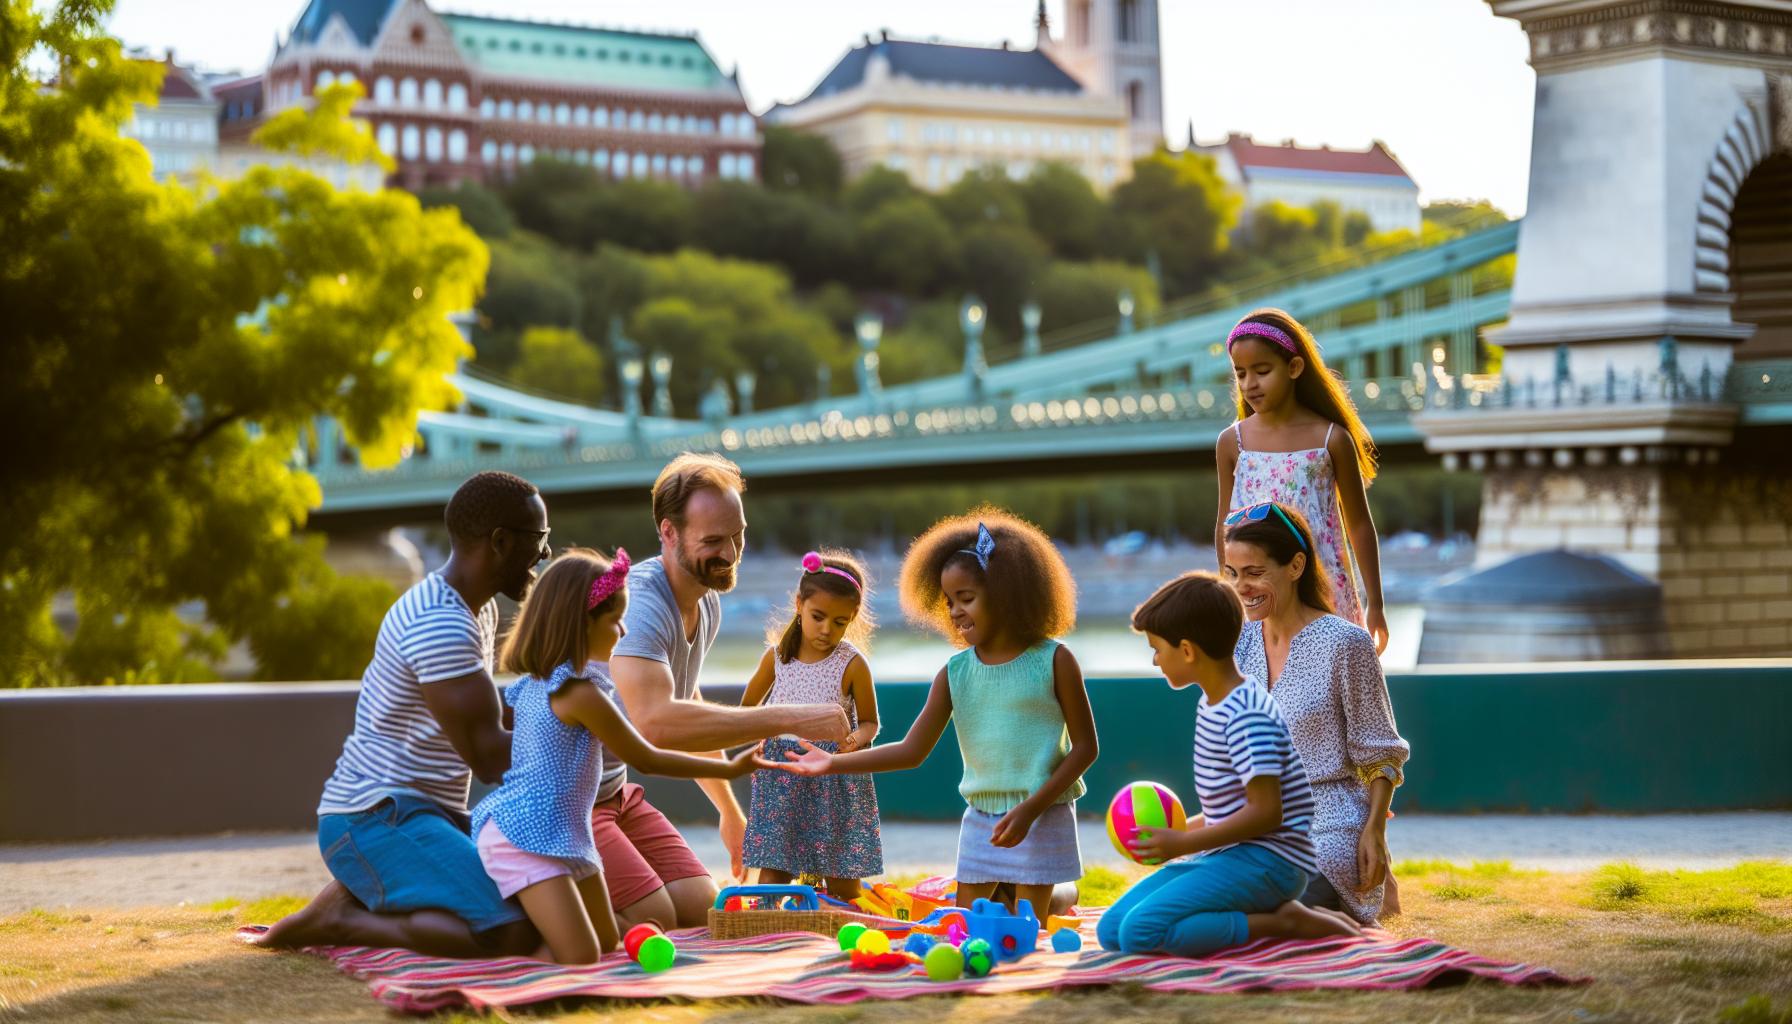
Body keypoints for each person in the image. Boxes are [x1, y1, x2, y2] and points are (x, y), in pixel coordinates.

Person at [253, 471, 552, 956]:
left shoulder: (477, 610)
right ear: (499, 542)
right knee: (511, 930)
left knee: (544, 901)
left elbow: (496, 716)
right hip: (375, 816)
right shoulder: (440, 623)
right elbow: (491, 758)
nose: (544, 554)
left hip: (428, 814)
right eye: (539, 539)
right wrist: (585, 731)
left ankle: (364, 896)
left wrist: (580, 701)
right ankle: (342, 921)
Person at [773, 507, 1098, 917]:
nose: (955, 611)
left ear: (1006, 593)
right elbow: (911, 750)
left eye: (967, 598)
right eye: (948, 602)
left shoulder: (1055, 660)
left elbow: (1086, 748)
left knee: (1027, 924)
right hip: (981, 818)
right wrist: (833, 763)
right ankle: (1022, 890)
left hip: (1041, 812)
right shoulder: (955, 672)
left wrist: (1032, 807)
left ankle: (1062, 892)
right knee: (969, 922)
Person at [470, 548, 765, 964]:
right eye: (614, 620)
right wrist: (728, 766)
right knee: (582, 955)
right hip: (527, 834)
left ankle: (554, 907)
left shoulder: (545, 681)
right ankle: (517, 922)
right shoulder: (580, 694)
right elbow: (646, 758)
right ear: (580, 624)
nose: (625, 631)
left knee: (608, 940)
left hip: (569, 831)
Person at [597, 453, 851, 932]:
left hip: (616, 793)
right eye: (713, 541)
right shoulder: (643, 605)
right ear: (668, 533)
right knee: (657, 916)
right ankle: (544, 901)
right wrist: (790, 717)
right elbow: (655, 722)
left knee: (702, 908)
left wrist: (730, 813)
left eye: (737, 535)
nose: (732, 554)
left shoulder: (705, 599)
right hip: (571, 802)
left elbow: (686, 707)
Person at [1098, 571, 1361, 957]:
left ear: (1187, 651)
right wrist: (1175, 834)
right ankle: (1264, 912)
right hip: (1233, 856)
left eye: (1157, 649)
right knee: (1112, 930)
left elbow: (1267, 813)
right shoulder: (1213, 703)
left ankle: (1282, 922)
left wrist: (1184, 842)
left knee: (1140, 934)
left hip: (1271, 864)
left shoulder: (1245, 715)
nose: (1155, 661)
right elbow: (1230, 810)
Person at [1224, 501, 1410, 923]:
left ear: (1295, 566)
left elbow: (1382, 753)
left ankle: (1326, 918)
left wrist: (1375, 832)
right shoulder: (1241, 644)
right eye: (1233, 574)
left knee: (1267, 901)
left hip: (1330, 821)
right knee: (1182, 894)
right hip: (1255, 818)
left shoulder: (1346, 643)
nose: (1241, 587)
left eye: (1255, 573)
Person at [1215, 308, 1389, 653]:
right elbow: (1224, 525)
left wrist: (1377, 605)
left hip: (1324, 593)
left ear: (1294, 368)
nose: (1250, 384)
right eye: (1241, 373)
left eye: (1262, 371)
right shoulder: (1231, 443)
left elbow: (1359, 525)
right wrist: (1229, 592)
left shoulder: (1332, 440)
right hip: (1256, 600)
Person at [739, 550, 883, 900]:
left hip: (833, 775)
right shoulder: (775, 659)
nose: (826, 629)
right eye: (818, 616)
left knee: (843, 883)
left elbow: (870, 722)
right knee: (774, 871)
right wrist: (755, 740)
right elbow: (745, 712)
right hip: (783, 772)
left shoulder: (852, 663)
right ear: (799, 603)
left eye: (839, 622)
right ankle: (769, 935)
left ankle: (841, 939)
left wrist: (853, 741)